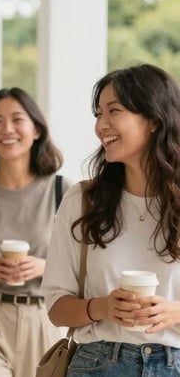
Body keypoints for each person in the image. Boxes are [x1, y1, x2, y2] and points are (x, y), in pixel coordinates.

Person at [42, 63, 180, 376]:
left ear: (155, 120)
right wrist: (102, 307)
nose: (101, 125)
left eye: (113, 111)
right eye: (98, 114)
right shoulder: (82, 200)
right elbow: (55, 306)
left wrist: (174, 313)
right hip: (99, 364)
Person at [0, 87, 69, 377]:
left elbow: (87, 265)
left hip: (45, 322)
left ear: (36, 130)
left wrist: (44, 267)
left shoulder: (64, 192)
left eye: (17, 119)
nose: (7, 129)